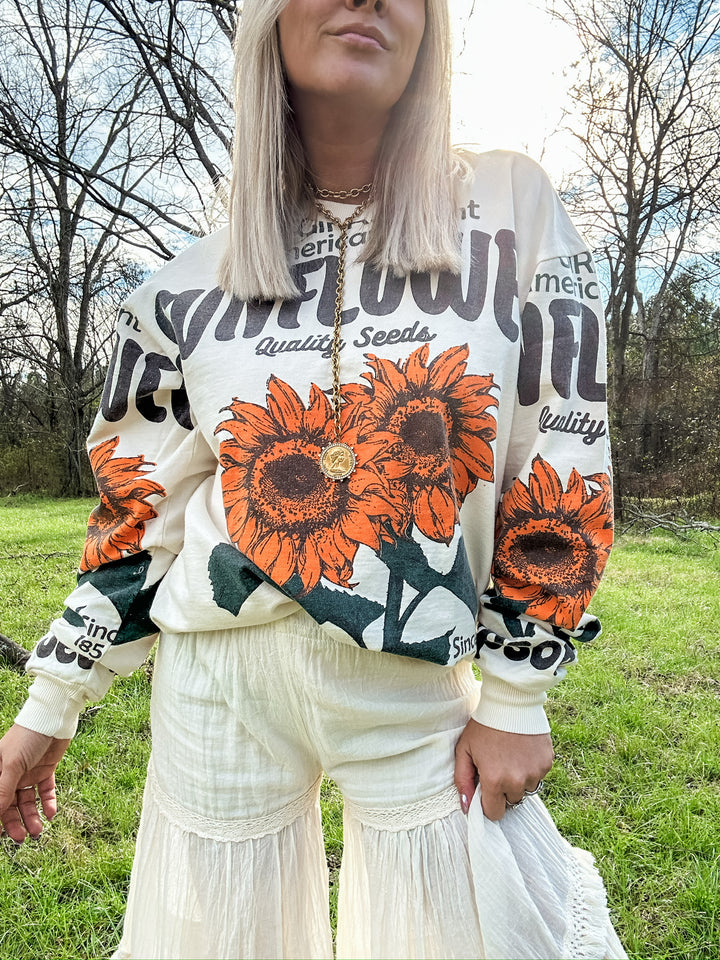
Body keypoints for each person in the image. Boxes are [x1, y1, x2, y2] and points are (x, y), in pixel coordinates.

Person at [0, 0, 626, 956]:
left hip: (416, 686)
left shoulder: (509, 209)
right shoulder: (184, 281)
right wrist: (52, 703)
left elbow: (560, 451)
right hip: (217, 691)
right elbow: (140, 511)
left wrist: (515, 697)